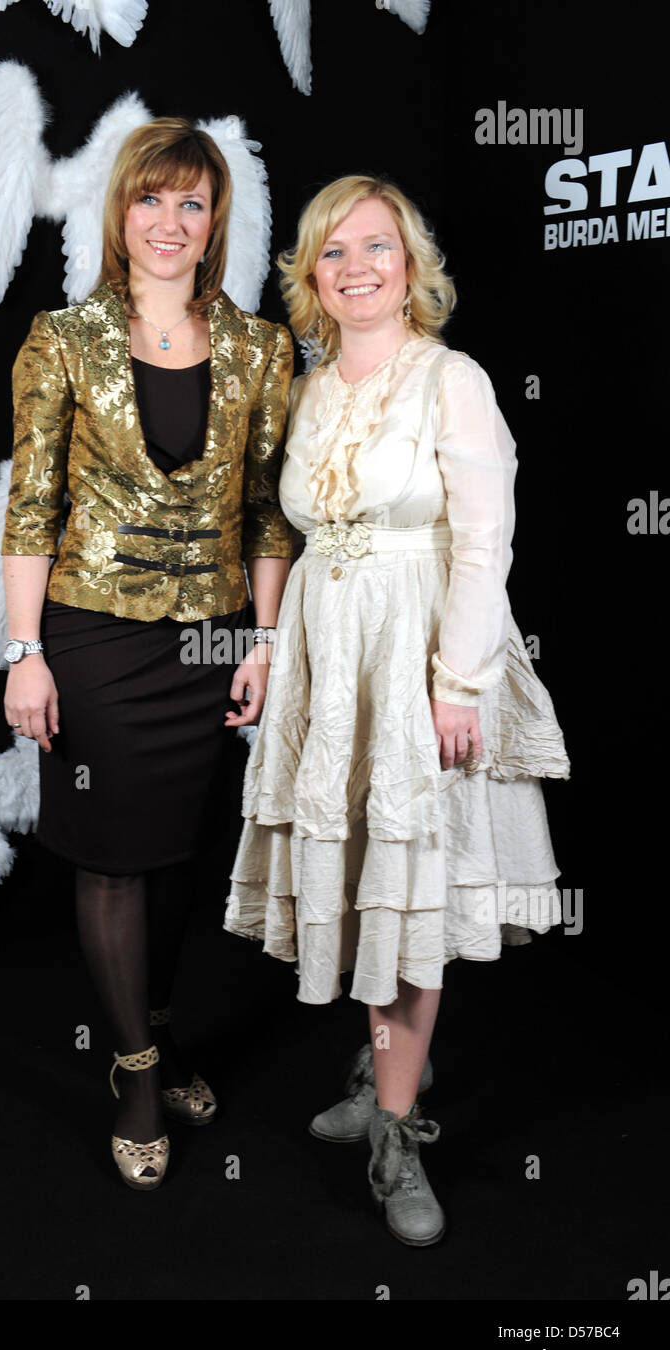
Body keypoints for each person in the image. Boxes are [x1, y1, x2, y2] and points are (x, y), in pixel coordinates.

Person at [224, 174, 570, 1245]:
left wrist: (455, 681)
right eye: (333, 252)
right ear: (310, 276)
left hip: (421, 646)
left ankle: (393, 1122)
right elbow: (284, 531)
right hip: (331, 652)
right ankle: (381, 1068)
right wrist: (270, 644)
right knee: (367, 859)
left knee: (411, 872)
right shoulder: (310, 382)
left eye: (376, 247)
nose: (356, 268)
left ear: (409, 264)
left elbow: (482, 539)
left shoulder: (449, 378)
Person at [0, 117, 294, 1191]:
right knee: (113, 856)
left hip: (212, 636)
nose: (168, 223)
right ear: (119, 212)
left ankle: (159, 1035)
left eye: (192, 204)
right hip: (93, 632)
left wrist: (259, 641)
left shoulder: (262, 349)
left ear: (213, 222)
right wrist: (24, 651)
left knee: (177, 852)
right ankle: (132, 1071)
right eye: (149, 200)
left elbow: (267, 512)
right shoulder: (64, 338)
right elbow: (33, 503)